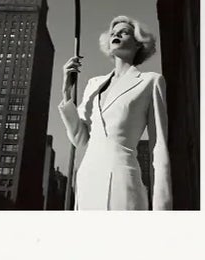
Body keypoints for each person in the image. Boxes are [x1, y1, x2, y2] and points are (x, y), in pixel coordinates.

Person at [57, 14, 173, 211]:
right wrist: (66, 94)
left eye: (124, 32)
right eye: (113, 33)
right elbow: (81, 140)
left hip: (123, 183)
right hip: (87, 181)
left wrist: (162, 209)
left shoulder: (151, 81)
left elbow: (159, 148)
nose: (116, 35)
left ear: (138, 43)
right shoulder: (93, 84)